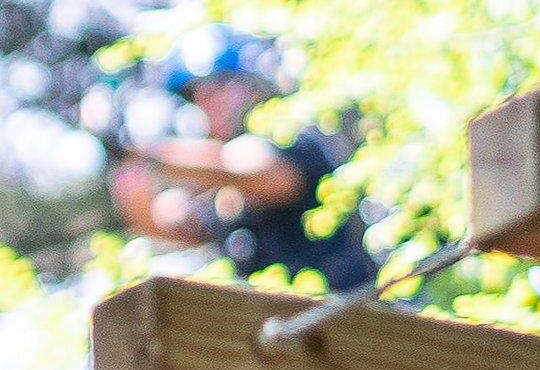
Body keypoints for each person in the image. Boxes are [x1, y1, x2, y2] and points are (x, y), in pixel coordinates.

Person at [109, 25, 376, 291]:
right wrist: (130, 174)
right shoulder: (221, 187)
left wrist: (153, 155)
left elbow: (248, 168)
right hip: (285, 325)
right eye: (196, 94)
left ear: (252, 83)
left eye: (218, 86)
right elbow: (169, 225)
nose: (206, 102)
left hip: (349, 312)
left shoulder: (288, 135)